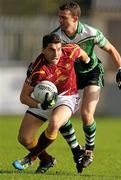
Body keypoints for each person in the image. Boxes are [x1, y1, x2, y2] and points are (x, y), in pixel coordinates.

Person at [51, 1, 121, 170]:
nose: (60, 21)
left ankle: (89, 151)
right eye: (59, 17)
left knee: (86, 114)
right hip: (71, 76)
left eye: (64, 17)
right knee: (59, 117)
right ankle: (77, 150)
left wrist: (120, 69)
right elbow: (46, 56)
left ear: (75, 18)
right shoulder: (57, 37)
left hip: (92, 72)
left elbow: (111, 49)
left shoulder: (91, 32)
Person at [12, 33, 91, 173]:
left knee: (55, 122)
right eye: (51, 50)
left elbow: (84, 56)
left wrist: (88, 66)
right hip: (44, 100)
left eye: (59, 49)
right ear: (43, 50)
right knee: (24, 138)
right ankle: (47, 160)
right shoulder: (37, 70)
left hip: (68, 96)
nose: (56, 53)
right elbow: (23, 97)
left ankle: (30, 158)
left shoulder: (70, 50)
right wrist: (39, 105)